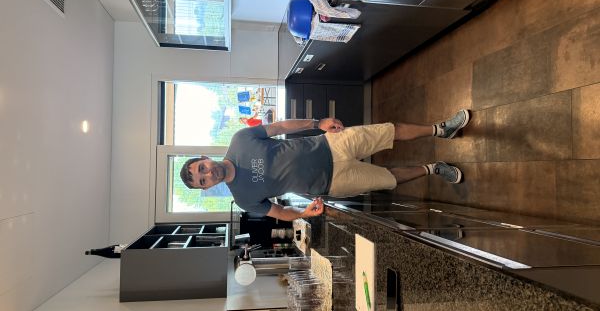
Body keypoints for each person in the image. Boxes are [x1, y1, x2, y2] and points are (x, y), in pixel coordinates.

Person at [180, 110, 470, 221]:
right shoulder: (243, 199)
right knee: (388, 179)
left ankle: (440, 129)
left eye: (201, 168)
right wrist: (303, 213)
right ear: (207, 187)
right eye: (203, 180)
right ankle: (433, 169)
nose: (208, 174)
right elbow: (279, 212)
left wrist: (317, 122)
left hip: (330, 144)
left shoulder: (240, 139)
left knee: (388, 131)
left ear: (204, 158)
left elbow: (280, 127)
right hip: (332, 182)